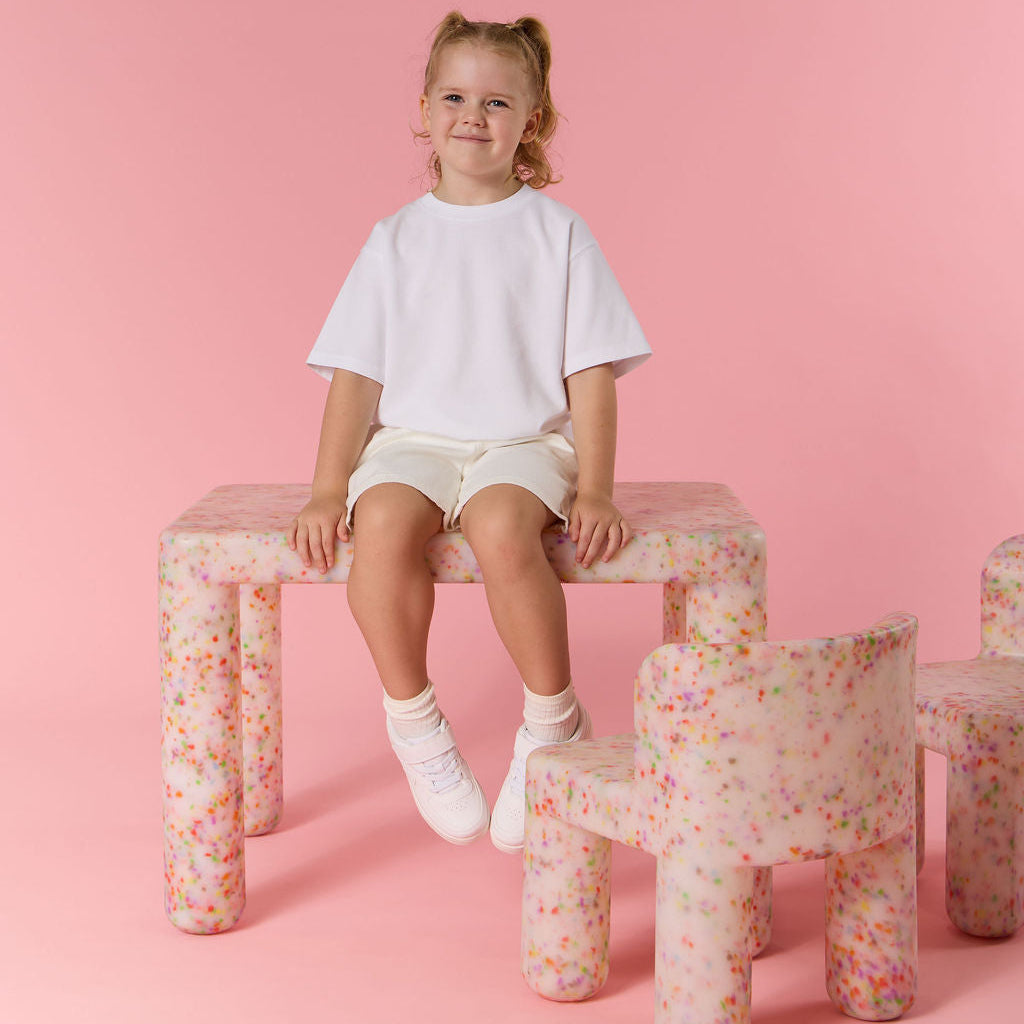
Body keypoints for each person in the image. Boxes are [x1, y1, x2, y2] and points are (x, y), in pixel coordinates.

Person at [287, 11, 650, 853]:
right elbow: (356, 378)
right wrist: (325, 489)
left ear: (533, 121)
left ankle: (551, 720)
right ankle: (416, 724)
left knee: (496, 525)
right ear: (424, 109)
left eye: (496, 102)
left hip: (523, 443)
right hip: (415, 440)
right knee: (378, 526)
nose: (472, 116)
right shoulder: (396, 240)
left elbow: (589, 373)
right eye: (454, 96)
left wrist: (594, 486)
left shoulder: (558, 235)